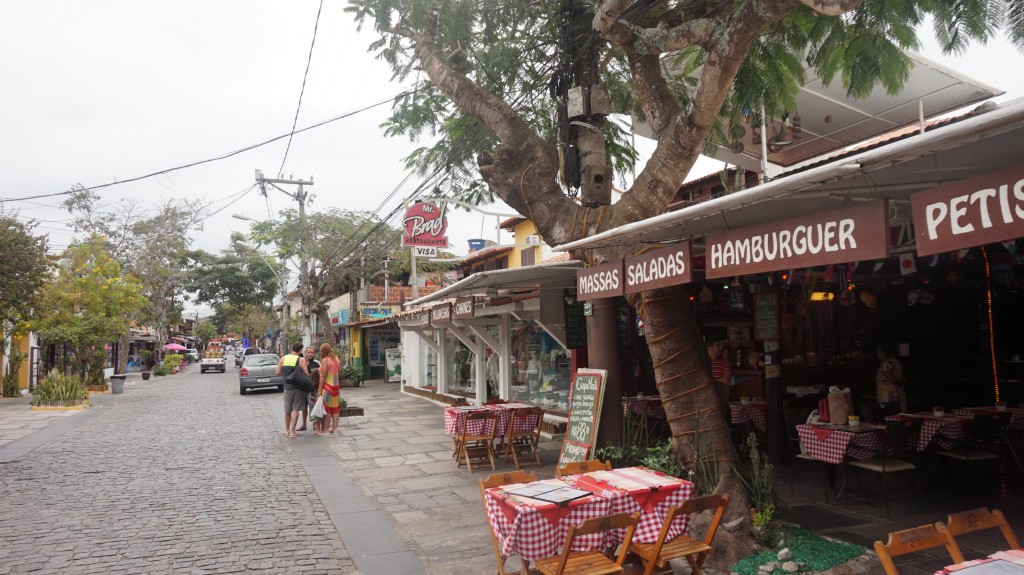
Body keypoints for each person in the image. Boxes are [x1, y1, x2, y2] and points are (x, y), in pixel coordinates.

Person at [275, 342, 310, 437]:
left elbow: (277, 372)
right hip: (298, 388)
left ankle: (286, 430)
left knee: (287, 410)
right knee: (295, 409)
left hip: (287, 387)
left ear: (292, 349)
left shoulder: (283, 358)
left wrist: (286, 374)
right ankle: (292, 431)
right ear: (300, 351)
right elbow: (307, 373)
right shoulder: (301, 359)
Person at [318, 343, 342, 435]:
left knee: (327, 408)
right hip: (336, 386)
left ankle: (326, 429)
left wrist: (320, 388)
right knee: (335, 408)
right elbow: (339, 371)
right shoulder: (336, 359)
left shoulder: (325, 360)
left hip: (327, 387)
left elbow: (323, 376)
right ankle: (335, 429)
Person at [876, 344, 906, 415]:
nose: (877, 353)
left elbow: (893, 379)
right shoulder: (884, 364)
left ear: (883, 353)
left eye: (878, 351)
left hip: (889, 397)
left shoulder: (885, 365)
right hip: (887, 396)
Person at [298, 347, 321, 432]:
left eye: (312, 352)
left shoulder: (317, 363)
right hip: (303, 388)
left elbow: (321, 375)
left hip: (313, 390)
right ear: (305, 353)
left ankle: (314, 424)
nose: (310, 354)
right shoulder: (301, 361)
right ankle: (304, 424)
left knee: (313, 406)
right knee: (304, 407)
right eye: (309, 352)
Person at [707, 339, 732, 409]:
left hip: (720, 398)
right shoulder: (703, 363)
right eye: (717, 346)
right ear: (709, 348)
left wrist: (709, 380)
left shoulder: (725, 363)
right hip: (706, 398)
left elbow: (726, 381)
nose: (721, 348)